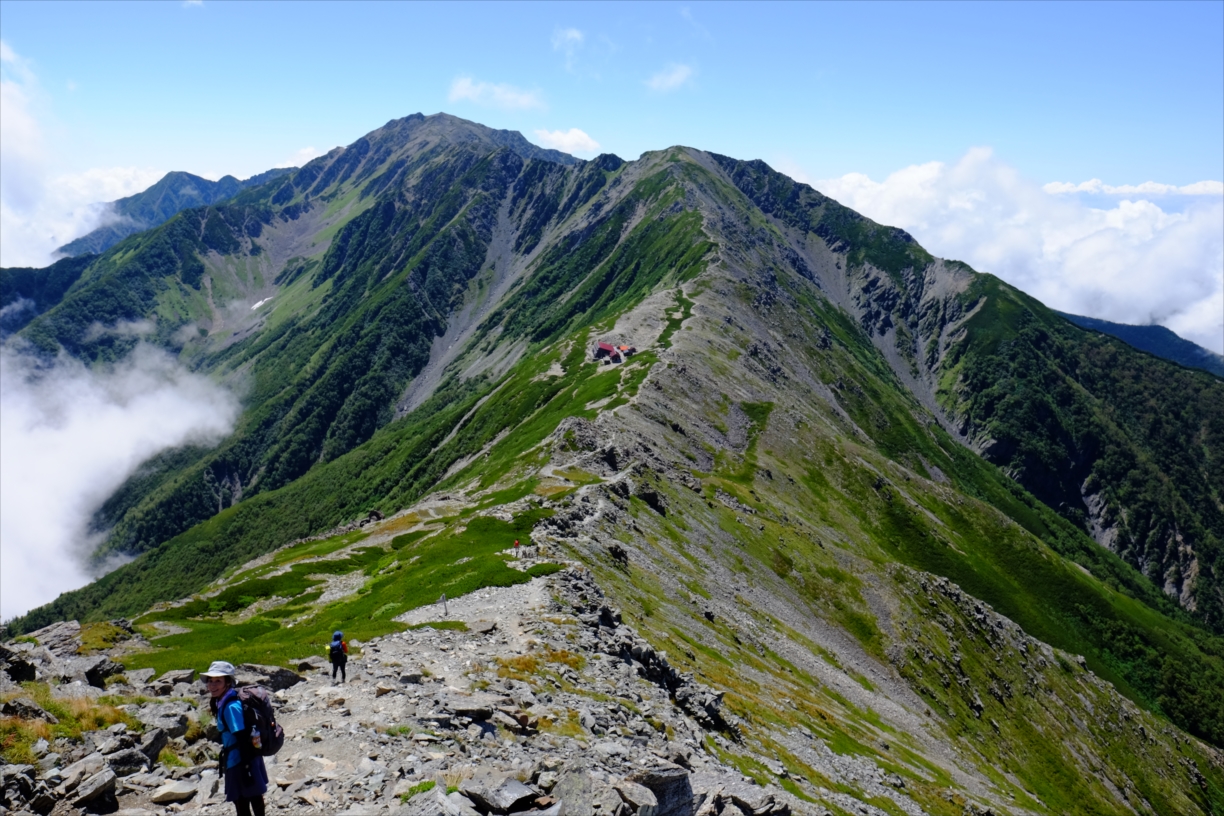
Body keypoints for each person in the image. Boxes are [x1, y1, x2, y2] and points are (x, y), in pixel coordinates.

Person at [202, 661, 268, 816]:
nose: (212, 685)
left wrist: (246, 769)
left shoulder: (230, 706)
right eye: (210, 681)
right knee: (254, 795)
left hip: (239, 761)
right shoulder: (226, 699)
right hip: (247, 758)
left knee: (242, 802)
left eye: (218, 681)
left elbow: (242, 736)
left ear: (228, 682)